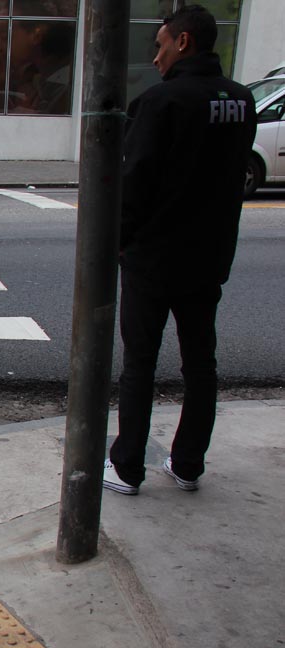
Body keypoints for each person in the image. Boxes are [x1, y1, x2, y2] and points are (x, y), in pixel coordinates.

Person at [103, 5, 256, 496]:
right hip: (208, 257)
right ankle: (188, 464)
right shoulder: (241, 101)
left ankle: (128, 467)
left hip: (154, 258)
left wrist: (118, 246)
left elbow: (135, 186)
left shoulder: (159, 103)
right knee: (201, 364)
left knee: (140, 365)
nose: (156, 56)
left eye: (161, 44)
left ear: (183, 42)